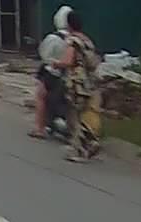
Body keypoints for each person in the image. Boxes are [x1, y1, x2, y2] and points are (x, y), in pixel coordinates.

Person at [53, 10, 102, 161]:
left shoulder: (73, 41)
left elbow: (68, 61)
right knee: (83, 115)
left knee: (73, 117)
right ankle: (91, 142)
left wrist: (57, 63)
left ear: (68, 25)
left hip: (76, 83)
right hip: (90, 83)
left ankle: (79, 151)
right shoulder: (87, 41)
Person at [29, 5, 71, 139]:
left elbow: (44, 54)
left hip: (51, 72)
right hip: (68, 74)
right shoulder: (74, 39)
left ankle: (39, 128)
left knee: (41, 97)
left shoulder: (53, 38)